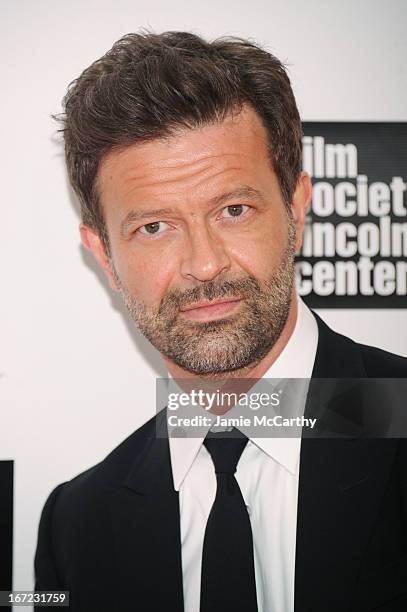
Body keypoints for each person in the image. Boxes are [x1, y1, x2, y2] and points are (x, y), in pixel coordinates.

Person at [34, 31, 407, 612]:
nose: (205, 265)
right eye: (154, 227)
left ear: (296, 209)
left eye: (234, 210)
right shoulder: (76, 527)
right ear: (104, 255)